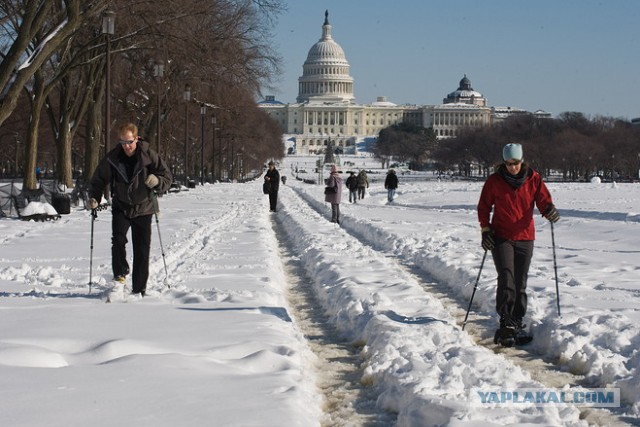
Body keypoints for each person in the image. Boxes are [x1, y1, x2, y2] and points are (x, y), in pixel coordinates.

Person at [477, 143, 559, 345]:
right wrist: (485, 230)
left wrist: (549, 209)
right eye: (508, 163)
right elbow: (483, 207)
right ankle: (506, 322)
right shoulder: (494, 181)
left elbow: (543, 201)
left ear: (522, 161)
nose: (512, 167)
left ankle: (517, 320)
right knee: (507, 277)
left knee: (520, 281)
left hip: (525, 236)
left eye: (515, 163)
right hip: (501, 236)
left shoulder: (533, 179)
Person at [88, 123, 172, 296]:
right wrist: (94, 198)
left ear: (136, 138)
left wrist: (157, 181)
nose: (126, 146)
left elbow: (167, 177)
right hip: (122, 206)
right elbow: (98, 180)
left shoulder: (148, 155)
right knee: (118, 240)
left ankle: (139, 288)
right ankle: (120, 274)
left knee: (142, 248)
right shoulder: (113, 158)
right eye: (122, 142)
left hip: (144, 207)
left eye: (129, 142)